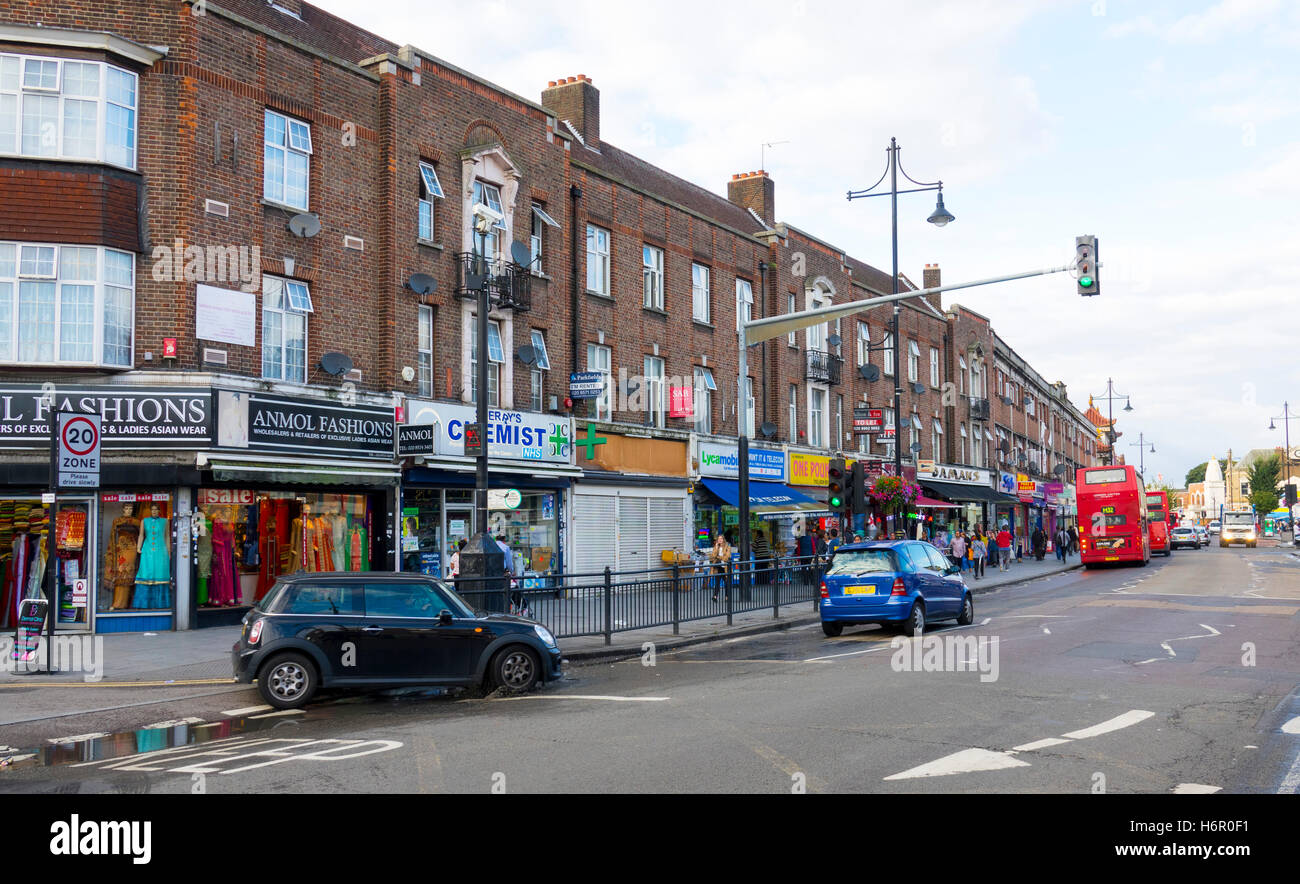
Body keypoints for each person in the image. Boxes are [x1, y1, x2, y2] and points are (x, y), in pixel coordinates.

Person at [710, 532, 733, 603]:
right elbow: (713, 556)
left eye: (721, 538)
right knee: (717, 583)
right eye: (718, 539)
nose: (720, 540)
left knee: (727, 583)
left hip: (725, 567)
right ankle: (715, 596)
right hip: (718, 567)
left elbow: (727, 557)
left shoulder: (727, 547)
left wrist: (719, 557)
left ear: (723, 539)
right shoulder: (716, 547)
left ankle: (727, 597)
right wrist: (716, 548)